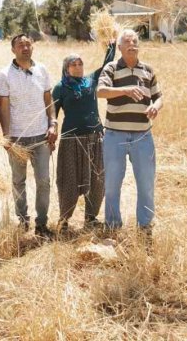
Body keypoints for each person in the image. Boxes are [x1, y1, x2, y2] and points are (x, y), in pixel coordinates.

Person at [96, 29, 163, 235]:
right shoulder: (112, 68)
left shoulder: (148, 70)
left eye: (135, 41)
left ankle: (145, 227)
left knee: (146, 183)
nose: (132, 44)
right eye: (127, 41)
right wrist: (125, 90)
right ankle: (113, 226)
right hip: (115, 135)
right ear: (120, 47)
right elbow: (100, 92)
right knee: (112, 184)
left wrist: (155, 107)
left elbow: (159, 97)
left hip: (143, 136)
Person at [51, 40, 116, 234]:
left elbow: (107, 65)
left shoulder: (92, 80)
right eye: (73, 64)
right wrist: (51, 129)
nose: (78, 67)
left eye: (80, 64)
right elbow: (52, 112)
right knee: (69, 181)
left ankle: (91, 218)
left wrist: (111, 44)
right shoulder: (60, 88)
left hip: (95, 137)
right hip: (71, 140)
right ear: (66, 68)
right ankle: (64, 221)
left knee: (98, 180)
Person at [0, 34, 57, 238]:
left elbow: (49, 101)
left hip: (41, 136)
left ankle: (42, 224)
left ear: (33, 47)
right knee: (18, 181)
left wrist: (53, 124)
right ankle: (23, 221)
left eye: (28, 44)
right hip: (17, 139)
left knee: (44, 181)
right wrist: (6, 136)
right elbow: (3, 107)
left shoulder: (42, 70)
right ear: (12, 50)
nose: (25, 47)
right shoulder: (4, 74)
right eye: (20, 45)